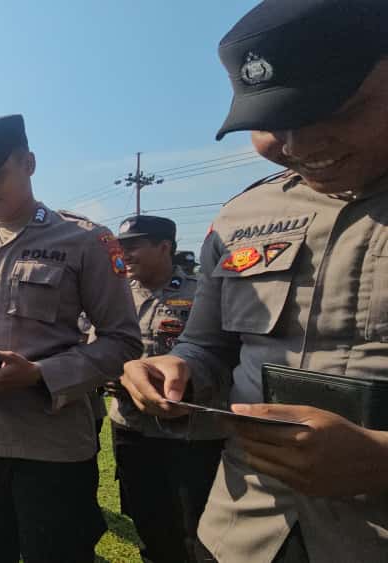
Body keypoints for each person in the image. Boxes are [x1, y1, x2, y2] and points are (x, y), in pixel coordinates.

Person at [121, 1, 388, 561]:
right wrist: (179, 370)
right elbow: (208, 344)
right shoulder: (244, 216)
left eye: (328, 110)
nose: (296, 146)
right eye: (270, 123)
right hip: (246, 531)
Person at [0, 114, 142, 562]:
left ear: (29, 163)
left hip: (51, 443)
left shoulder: (84, 240)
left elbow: (123, 341)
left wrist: (40, 374)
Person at [109, 215, 223, 563]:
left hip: (190, 434)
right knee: (149, 524)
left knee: (196, 529)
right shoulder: (114, 297)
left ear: (165, 247)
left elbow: (222, 353)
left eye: (134, 246)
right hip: (132, 429)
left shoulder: (202, 293)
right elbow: (94, 347)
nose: (125, 254)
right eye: (122, 246)